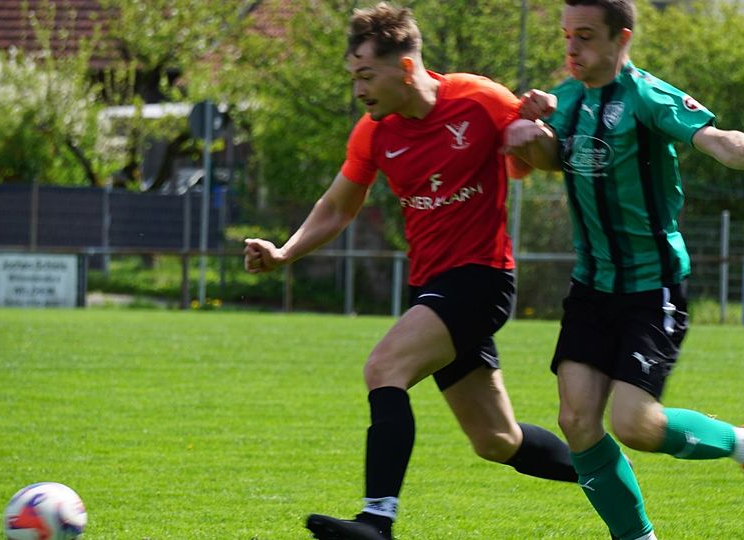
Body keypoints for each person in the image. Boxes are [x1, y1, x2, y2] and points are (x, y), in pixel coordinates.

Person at [243, 4, 580, 540]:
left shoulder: (478, 99)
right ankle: (603, 472)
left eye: (366, 76)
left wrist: (537, 128)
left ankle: (377, 520)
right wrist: (285, 253)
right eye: (353, 77)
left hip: (481, 280)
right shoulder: (374, 133)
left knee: (384, 367)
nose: (358, 90)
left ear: (404, 68)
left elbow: (546, 159)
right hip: (431, 289)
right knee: (497, 440)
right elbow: (338, 207)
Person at [504, 1, 744, 538]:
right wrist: (528, 133)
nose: (572, 48)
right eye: (567, 36)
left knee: (634, 424)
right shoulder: (565, 100)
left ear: (621, 38)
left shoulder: (647, 96)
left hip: (651, 286)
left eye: (585, 36)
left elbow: (714, 138)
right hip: (591, 286)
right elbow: (547, 158)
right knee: (576, 420)